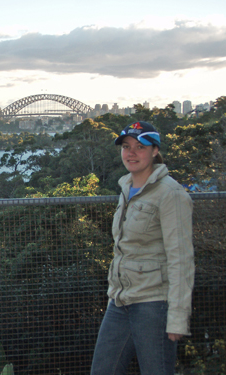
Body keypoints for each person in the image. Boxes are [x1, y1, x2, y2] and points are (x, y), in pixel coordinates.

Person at [90, 121, 195, 375]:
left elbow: (181, 258)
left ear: (155, 151)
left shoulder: (170, 194)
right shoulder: (126, 188)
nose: (131, 153)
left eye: (140, 147)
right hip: (119, 300)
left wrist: (178, 317)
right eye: (126, 147)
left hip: (153, 304)